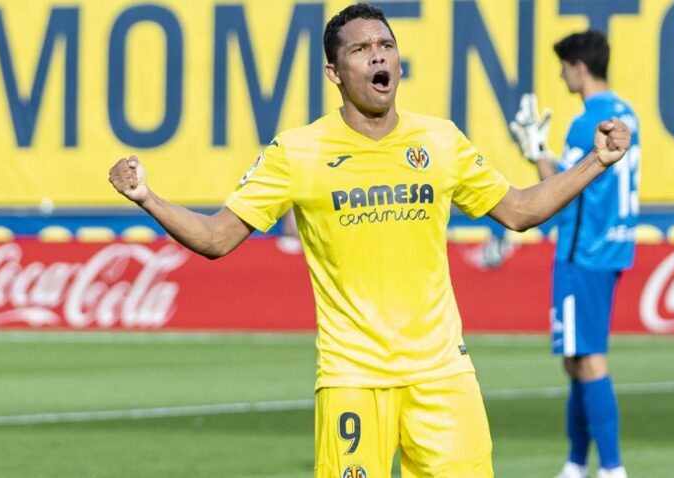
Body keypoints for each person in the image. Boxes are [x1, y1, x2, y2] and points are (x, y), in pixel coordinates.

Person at [109, 5, 632, 477]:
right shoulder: (298, 152)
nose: (378, 56)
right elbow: (216, 238)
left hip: (443, 374)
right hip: (352, 378)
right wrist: (147, 197)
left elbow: (519, 210)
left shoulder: (440, 139)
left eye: (386, 45)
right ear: (335, 73)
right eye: (361, 49)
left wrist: (596, 161)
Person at [510, 30, 640, 478]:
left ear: (580, 67)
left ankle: (611, 467)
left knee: (586, 357)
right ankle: (574, 463)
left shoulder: (587, 122)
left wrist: (536, 152)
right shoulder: (627, 113)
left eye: (564, 65)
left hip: (582, 250)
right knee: (576, 356)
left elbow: (560, 193)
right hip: (614, 245)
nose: (561, 73)